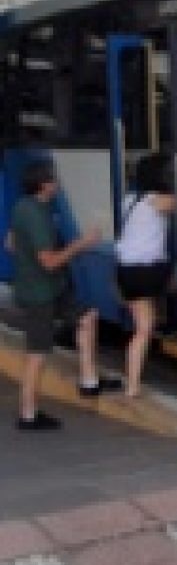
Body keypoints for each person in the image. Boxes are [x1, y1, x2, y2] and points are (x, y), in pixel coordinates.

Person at [5, 159, 115, 430]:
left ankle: (89, 382)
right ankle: (28, 415)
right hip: (40, 294)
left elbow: (9, 243)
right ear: (44, 185)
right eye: (54, 179)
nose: (58, 183)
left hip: (50, 287)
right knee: (37, 353)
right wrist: (83, 243)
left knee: (87, 316)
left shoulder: (23, 206)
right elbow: (50, 261)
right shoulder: (37, 215)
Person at [115, 153, 176, 397]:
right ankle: (132, 386)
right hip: (146, 272)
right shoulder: (157, 200)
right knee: (144, 329)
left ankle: (132, 386)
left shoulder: (129, 200)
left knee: (143, 327)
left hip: (126, 271)